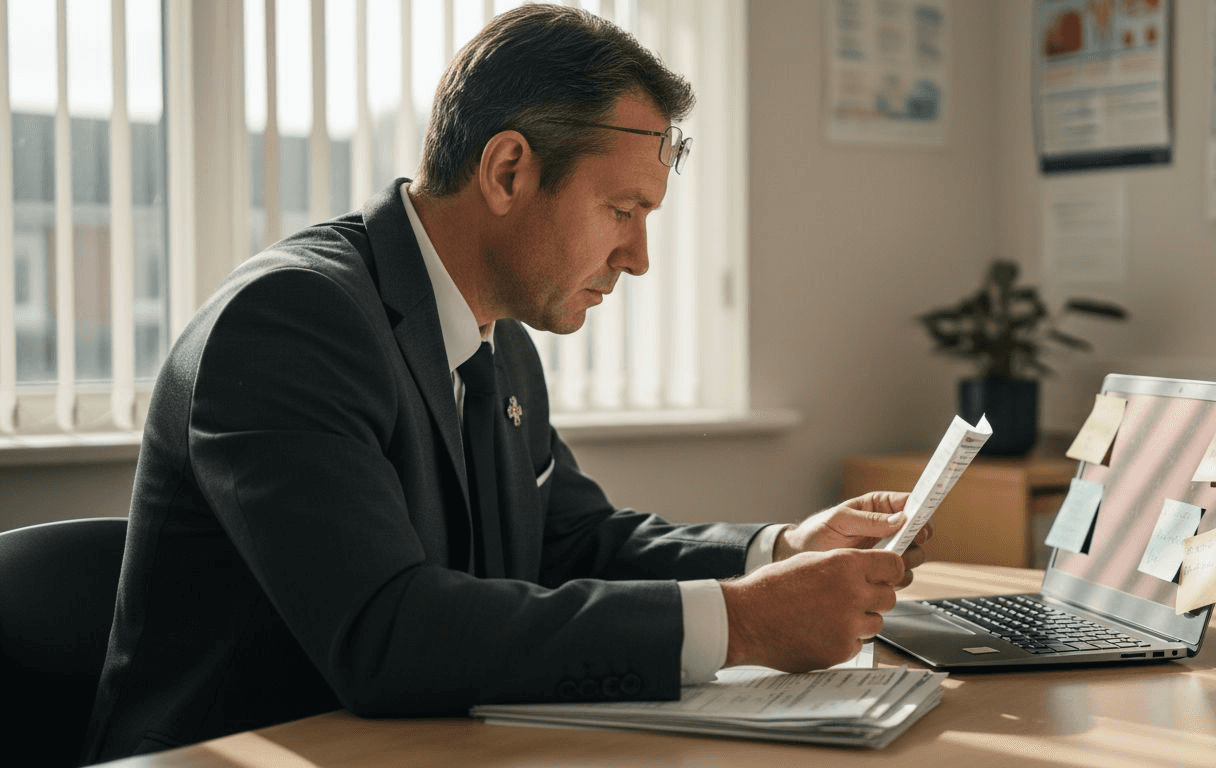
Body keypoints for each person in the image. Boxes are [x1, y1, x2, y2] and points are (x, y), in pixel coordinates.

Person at [80, 5, 930, 763]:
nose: (638, 258)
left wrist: (778, 551)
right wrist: (742, 622)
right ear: (509, 171)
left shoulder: (499, 338)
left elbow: (573, 542)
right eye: (622, 212)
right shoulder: (292, 322)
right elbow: (387, 634)